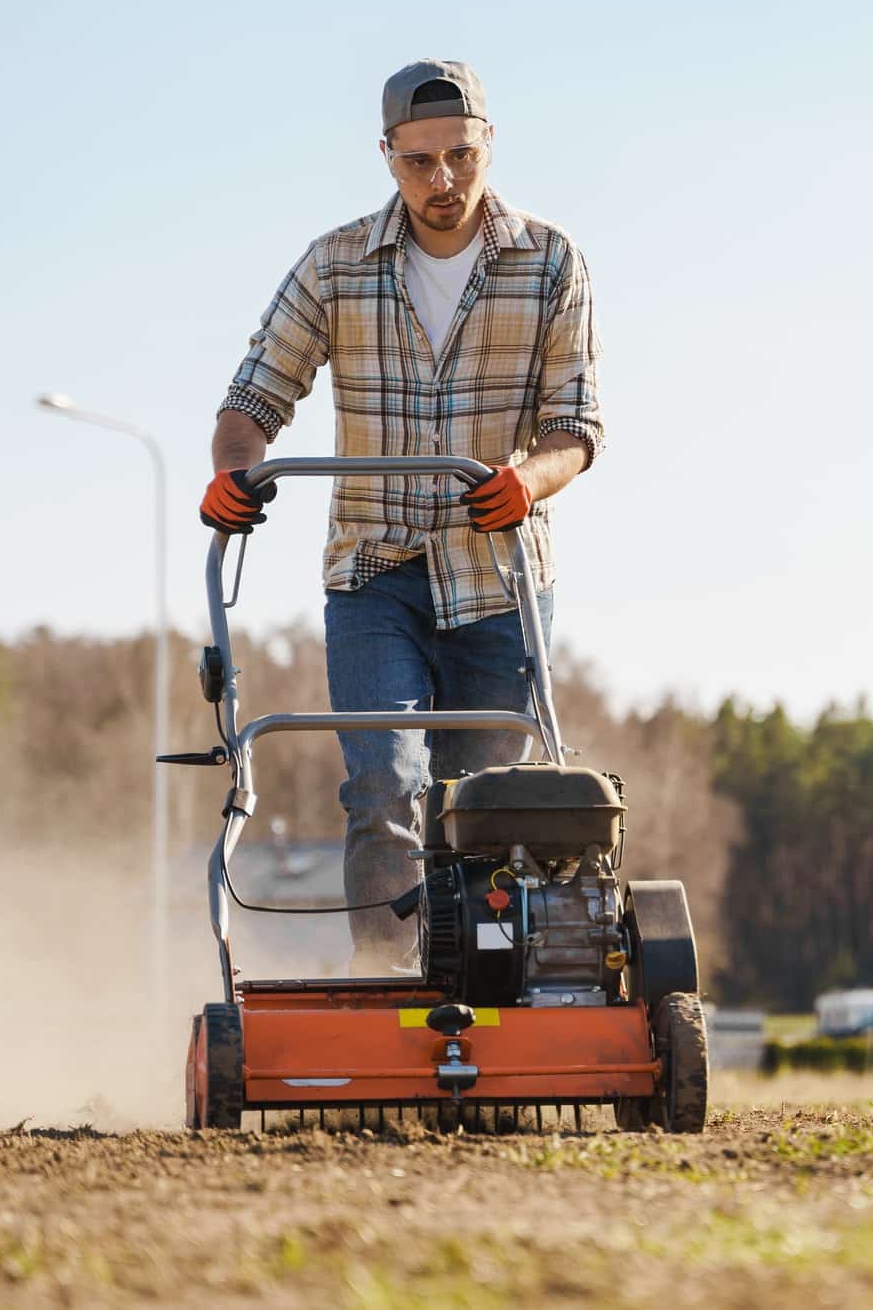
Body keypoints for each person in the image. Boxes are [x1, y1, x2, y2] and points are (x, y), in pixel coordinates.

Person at [199, 58, 602, 973]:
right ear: (387, 157)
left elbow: (577, 426)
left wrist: (528, 480)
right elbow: (253, 401)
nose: (443, 181)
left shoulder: (550, 262)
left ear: (488, 144)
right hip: (375, 573)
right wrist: (234, 475)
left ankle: (484, 991)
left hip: (499, 579)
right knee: (384, 781)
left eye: (460, 155)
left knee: (487, 801)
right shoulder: (337, 264)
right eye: (419, 162)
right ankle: (384, 986)